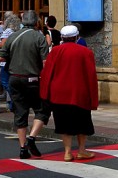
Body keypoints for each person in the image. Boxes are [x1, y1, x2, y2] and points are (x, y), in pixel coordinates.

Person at [40, 24, 98, 161]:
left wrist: (44, 94)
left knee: (64, 123)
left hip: (59, 93)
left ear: (62, 37)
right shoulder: (86, 52)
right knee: (82, 123)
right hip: (80, 92)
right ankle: (82, 150)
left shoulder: (55, 51)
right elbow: (91, 75)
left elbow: (47, 73)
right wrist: (93, 98)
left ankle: (67, 152)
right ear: (76, 37)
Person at [0, 10, 49, 159]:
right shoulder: (39, 38)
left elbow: (1, 58)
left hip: (14, 78)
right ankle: (32, 138)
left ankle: (22, 148)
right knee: (42, 108)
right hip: (32, 78)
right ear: (35, 22)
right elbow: (45, 62)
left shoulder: (12, 36)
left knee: (20, 112)